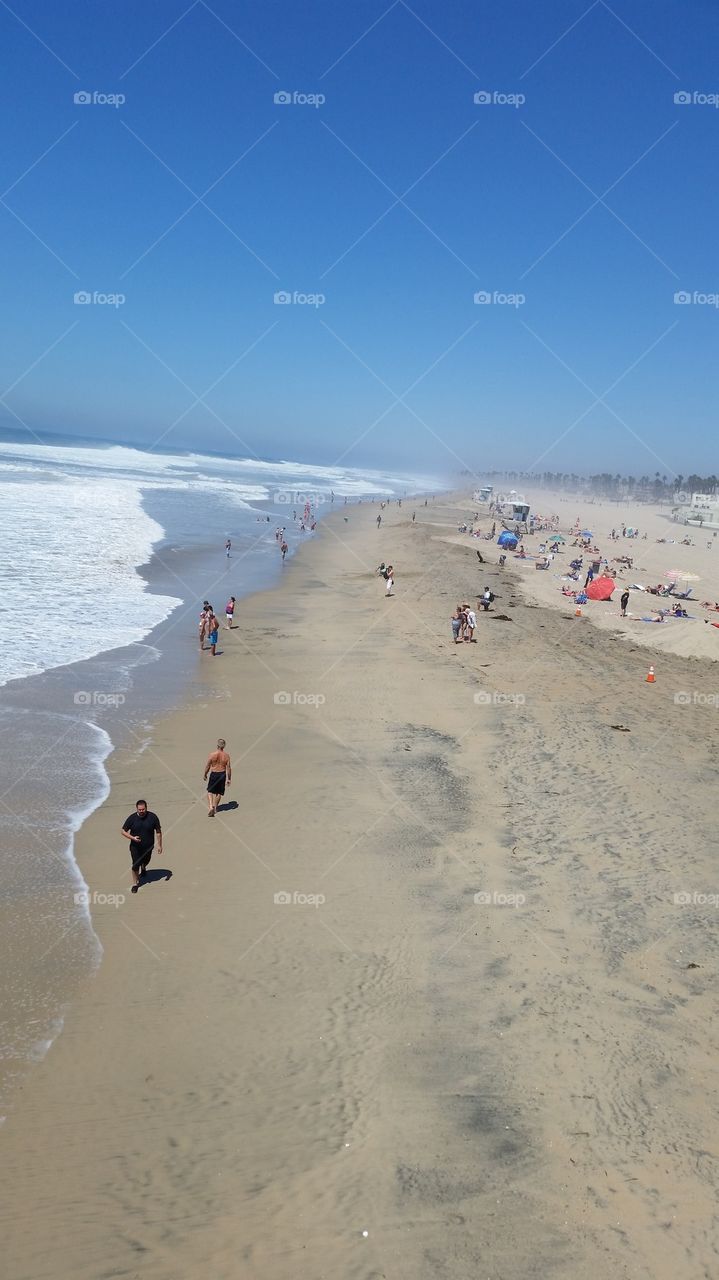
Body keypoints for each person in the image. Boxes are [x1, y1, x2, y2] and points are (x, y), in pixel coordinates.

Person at [121, 799, 162, 893]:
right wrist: (133, 838)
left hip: (148, 846)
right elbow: (123, 831)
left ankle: (143, 867)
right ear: (137, 809)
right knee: (135, 865)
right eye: (139, 809)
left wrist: (159, 845)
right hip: (135, 847)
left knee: (146, 861)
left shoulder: (153, 817)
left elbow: (158, 832)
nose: (141, 811)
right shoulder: (132, 818)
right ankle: (135, 884)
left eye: (143, 809)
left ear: (146, 808)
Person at [204, 738, 231, 817]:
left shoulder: (212, 754)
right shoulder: (226, 756)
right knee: (219, 793)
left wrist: (205, 774)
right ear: (224, 746)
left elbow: (208, 766)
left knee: (210, 791)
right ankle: (215, 808)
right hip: (222, 774)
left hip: (214, 774)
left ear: (217, 745)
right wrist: (229, 778)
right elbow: (228, 768)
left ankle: (210, 807)